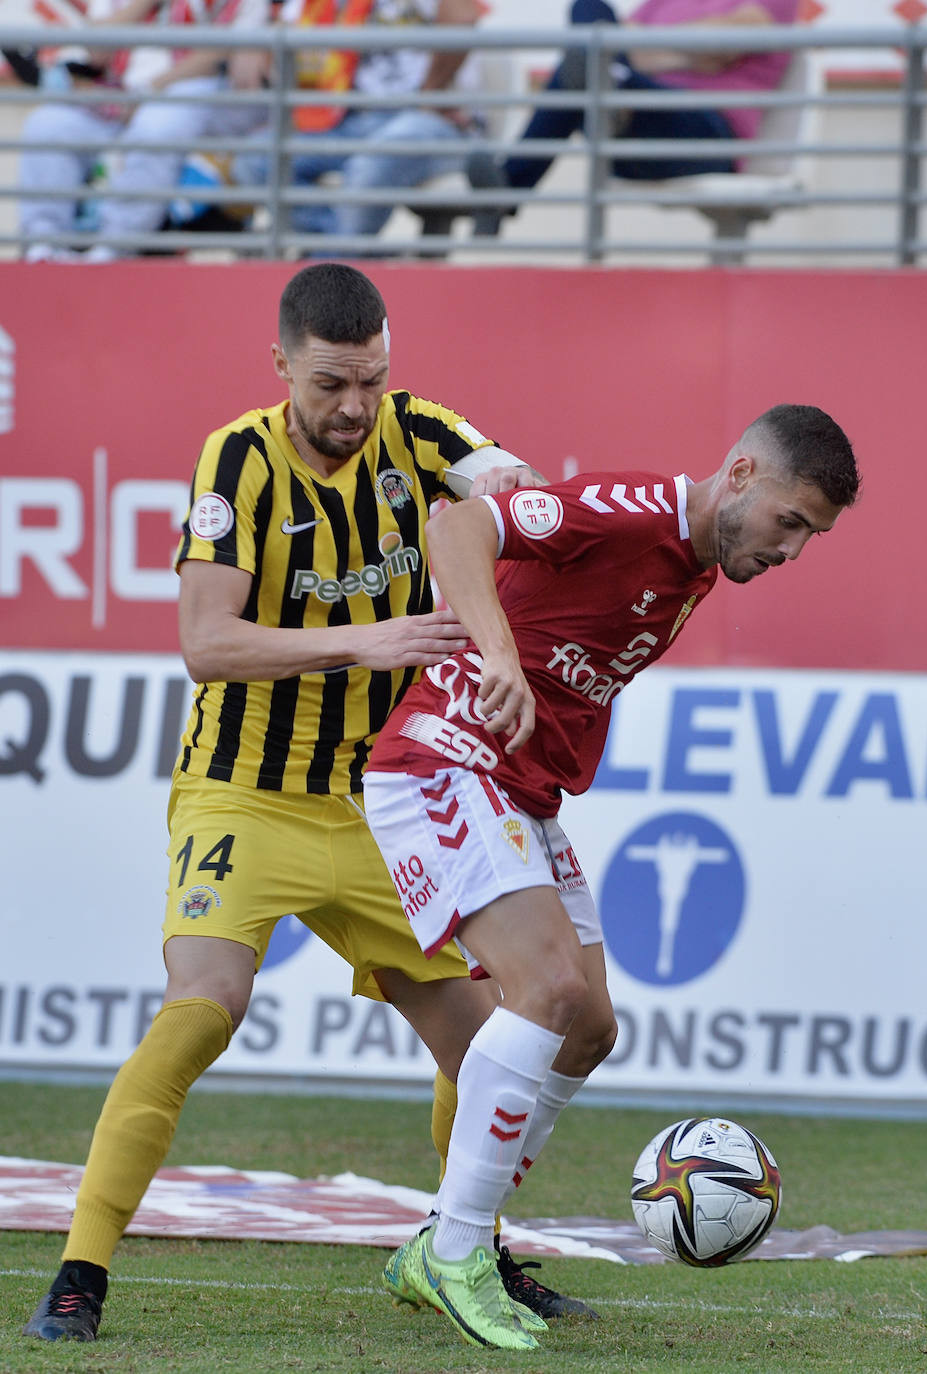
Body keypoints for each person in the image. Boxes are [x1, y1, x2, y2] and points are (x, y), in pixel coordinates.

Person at [21, 262, 589, 1344]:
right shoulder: (235, 459)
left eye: (371, 380)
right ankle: (80, 1274)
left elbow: (515, 486)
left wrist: (526, 503)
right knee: (203, 1010)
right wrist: (366, 639)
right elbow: (204, 644)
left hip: (384, 807)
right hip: (247, 797)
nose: (354, 407)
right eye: (332, 384)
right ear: (279, 364)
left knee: (489, 1048)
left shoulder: (419, 435)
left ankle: (465, 1250)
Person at [362, 403, 861, 1350]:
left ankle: (443, 1236)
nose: (792, 549)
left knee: (588, 1028)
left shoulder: (701, 563)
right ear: (743, 474)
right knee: (545, 990)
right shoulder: (633, 511)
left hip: (521, 789)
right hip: (445, 757)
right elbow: (457, 523)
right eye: (789, 522)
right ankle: (459, 1248)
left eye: (811, 537)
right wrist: (499, 658)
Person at [468, 0, 799, 236]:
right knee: (589, 14)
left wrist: (645, 52)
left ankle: (508, 187)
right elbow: (634, 49)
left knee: (587, 62)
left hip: (707, 134)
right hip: (635, 125)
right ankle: (612, 94)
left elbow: (721, 47)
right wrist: (688, 52)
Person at [18, 0, 270, 261]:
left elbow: (221, 49)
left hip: (193, 94)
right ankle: (43, 245)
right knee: (47, 124)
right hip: (116, 95)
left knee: (157, 128)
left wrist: (150, 90)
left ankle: (115, 247)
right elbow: (95, 50)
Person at [234, 0, 484, 245]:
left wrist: (430, 93)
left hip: (430, 120)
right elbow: (285, 31)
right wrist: (257, 44)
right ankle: (342, 255)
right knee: (254, 158)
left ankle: (334, 263)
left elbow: (463, 16)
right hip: (347, 119)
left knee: (369, 165)